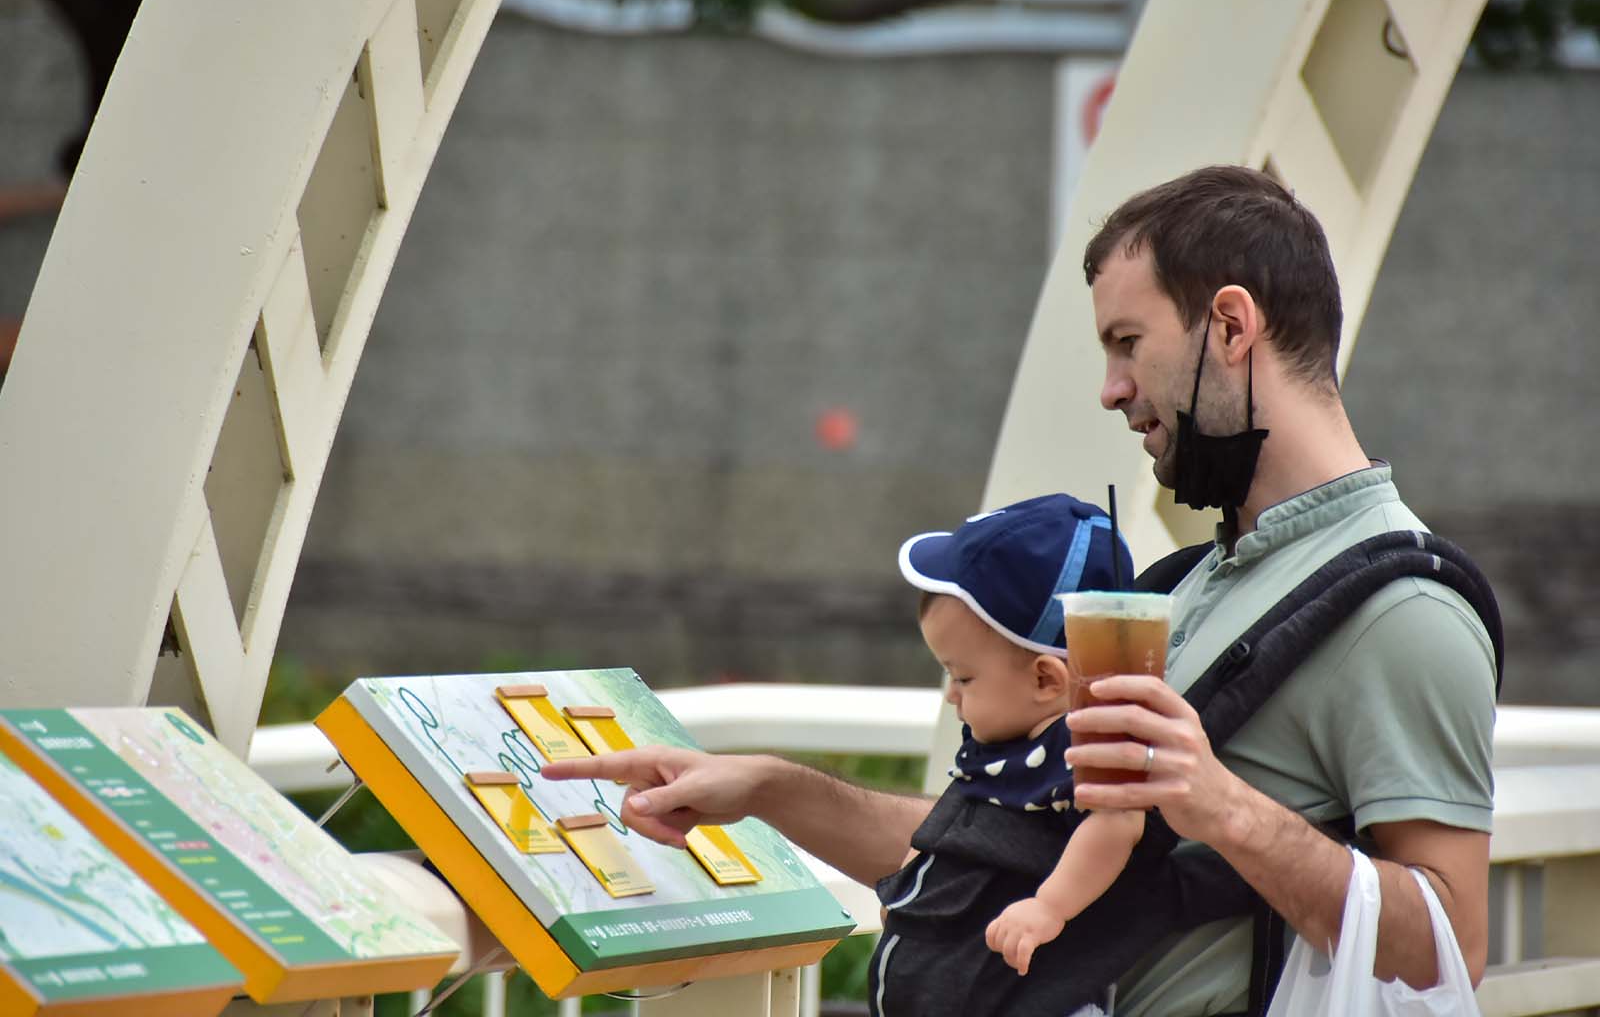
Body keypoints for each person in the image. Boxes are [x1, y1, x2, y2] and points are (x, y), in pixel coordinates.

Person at [541, 166, 1496, 1016]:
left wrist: (1221, 806)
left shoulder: (1403, 614)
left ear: (1233, 327)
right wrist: (765, 788)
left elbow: (1450, 948)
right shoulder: (1199, 581)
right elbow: (1011, 847)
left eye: (1129, 342)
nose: (1112, 390)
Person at [892, 493, 1142, 981]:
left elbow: (1117, 821)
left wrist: (1049, 907)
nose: (951, 696)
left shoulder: (1090, 743)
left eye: (962, 678)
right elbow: (953, 816)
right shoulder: (1002, 742)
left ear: (1046, 681)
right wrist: (908, 889)